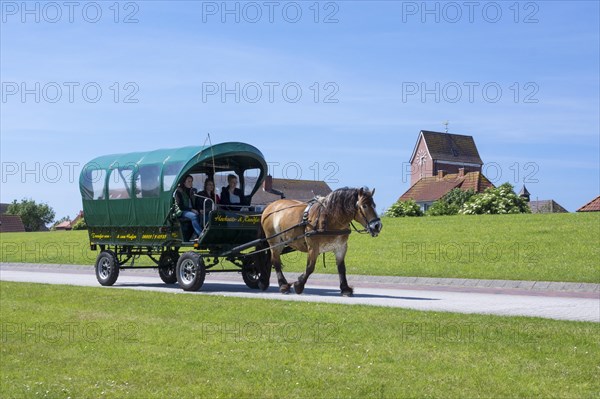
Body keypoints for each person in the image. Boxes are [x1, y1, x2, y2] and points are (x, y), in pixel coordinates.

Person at [174, 174, 202, 241]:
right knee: (194, 216)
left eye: (191, 181)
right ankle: (201, 234)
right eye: (189, 181)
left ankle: (194, 235)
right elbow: (180, 206)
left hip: (191, 210)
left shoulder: (192, 191)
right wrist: (191, 210)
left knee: (202, 215)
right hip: (182, 211)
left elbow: (195, 203)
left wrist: (199, 210)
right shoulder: (179, 192)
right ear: (184, 182)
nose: (190, 183)